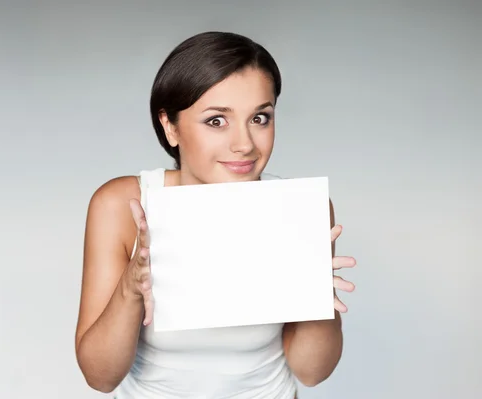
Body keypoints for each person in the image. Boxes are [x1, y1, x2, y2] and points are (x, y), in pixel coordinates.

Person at [74, 31, 357, 398]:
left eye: (260, 118)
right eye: (216, 121)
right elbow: (100, 376)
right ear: (170, 126)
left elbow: (311, 372)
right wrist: (131, 286)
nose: (244, 144)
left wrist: (319, 299)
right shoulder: (124, 205)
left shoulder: (297, 209)